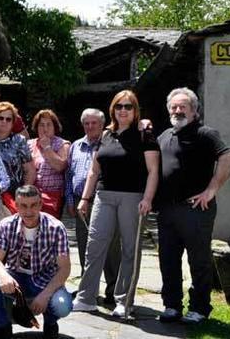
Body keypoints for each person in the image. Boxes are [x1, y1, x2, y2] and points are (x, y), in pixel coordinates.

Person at [73, 90, 159, 318]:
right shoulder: (106, 134)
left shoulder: (144, 134)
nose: (123, 110)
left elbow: (153, 171)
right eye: (119, 106)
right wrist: (85, 198)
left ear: (135, 110)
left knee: (130, 249)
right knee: (94, 247)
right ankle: (86, 298)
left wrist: (148, 199)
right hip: (103, 196)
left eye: (128, 106)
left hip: (133, 197)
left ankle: (124, 302)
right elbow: (94, 170)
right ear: (113, 109)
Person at [155, 87, 230, 324]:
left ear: (194, 109)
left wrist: (211, 190)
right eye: (174, 107)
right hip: (167, 209)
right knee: (167, 260)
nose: (178, 110)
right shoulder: (164, 136)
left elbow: (228, 157)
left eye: (183, 106)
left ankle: (199, 308)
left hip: (195, 210)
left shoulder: (205, 133)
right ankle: (172, 306)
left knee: (198, 261)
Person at [0, 185, 72, 339]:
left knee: (62, 305)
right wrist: (3, 275)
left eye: (33, 205)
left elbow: (64, 269)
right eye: (23, 206)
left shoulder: (56, 228)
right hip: (15, 276)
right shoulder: (6, 225)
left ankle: (50, 322)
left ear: (40, 204)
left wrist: (45, 295)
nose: (29, 211)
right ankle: (2, 326)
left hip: (45, 278)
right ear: (16, 206)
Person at [65, 109, 119, 302]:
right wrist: (71, 201)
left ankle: (113, 291)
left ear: (102, 124)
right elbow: (69, 175)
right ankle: (88, 290)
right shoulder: (76, 146)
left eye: (94, 123)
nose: (90, 126)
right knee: (84, 246)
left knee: (110, 247)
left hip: (104, 200)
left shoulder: (110, 144)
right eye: (86, 123)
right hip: (82, 202)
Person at [0, 102, 36, 215]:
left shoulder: (19, 141)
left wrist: (24, 194)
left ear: (13, 123)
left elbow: (30, 170)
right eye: (1, 118)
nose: (4, 122)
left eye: (8, 119)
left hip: (13, 196)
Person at [28, 110, 71, 216]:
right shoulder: (29, 144)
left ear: (54, 127)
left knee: (49, 229)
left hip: (52, 197)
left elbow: (60, 166)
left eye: (48, 125)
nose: (45, 129)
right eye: (41, 125)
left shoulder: (62, 144)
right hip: (31, 196)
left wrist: (47, 147)